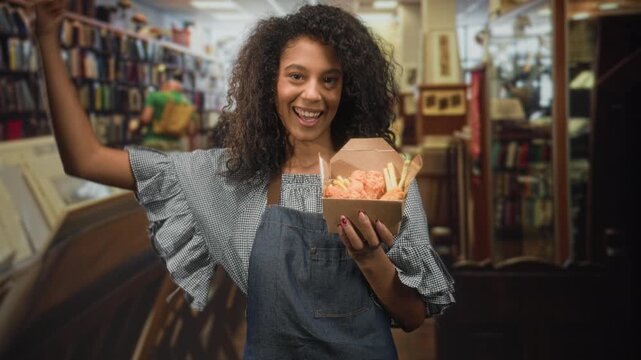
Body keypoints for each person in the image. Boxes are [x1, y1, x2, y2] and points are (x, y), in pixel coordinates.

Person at [30, 1, 455, 358]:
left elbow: (414, 315)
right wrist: (46, 38)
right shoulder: (233, 179)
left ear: (348, 89)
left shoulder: (382, 176)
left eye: (330, 79)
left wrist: (371, 260)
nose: (313, 94)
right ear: (269, 83)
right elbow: (85, 159)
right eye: (296, 76)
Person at [134, 72, 193, 151]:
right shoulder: (187, 103)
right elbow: (190, 128)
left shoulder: (154, 96)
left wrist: (137, 129)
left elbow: (145, 119)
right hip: (177, 145)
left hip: (154, 141)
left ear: (165, 86)